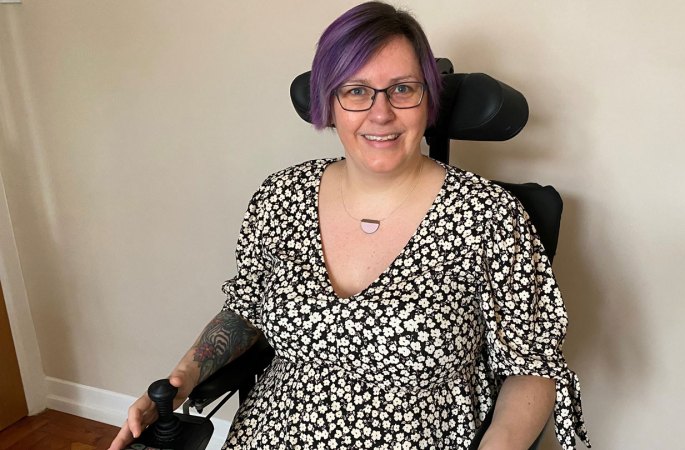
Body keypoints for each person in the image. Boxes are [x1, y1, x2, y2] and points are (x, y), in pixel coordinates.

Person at [109, 2, 590, 449]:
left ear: (428, 100)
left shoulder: (490, 215)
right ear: (329, 103)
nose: (381, 113)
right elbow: (245, 309)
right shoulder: (280, 198)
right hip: (272, 431)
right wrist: (182, 377)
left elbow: (533, 368)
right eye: (357, 90)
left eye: (402, 88)